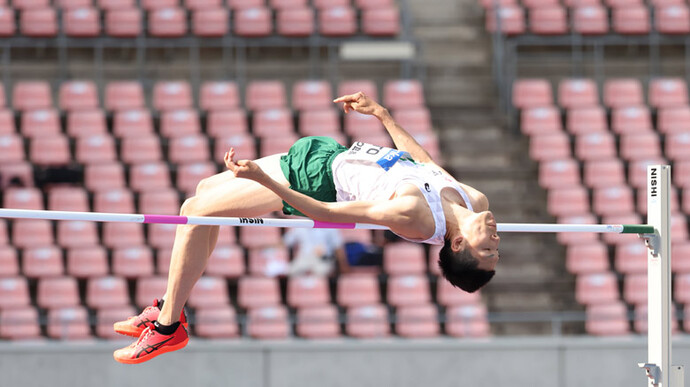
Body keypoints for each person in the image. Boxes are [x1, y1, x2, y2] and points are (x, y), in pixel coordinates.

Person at [112, 91, 501, 364]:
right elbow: (424, 162)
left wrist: (269, 186)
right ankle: (169, 307)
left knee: (195, 212)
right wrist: (384, 116)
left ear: (458, 243)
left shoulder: (414, 218)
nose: (496, 240)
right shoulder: (475, 200)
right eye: (496, 250)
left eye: (487, 250)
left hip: (314, 182)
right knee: (200, 195)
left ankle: (167, 326)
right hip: (327, 154)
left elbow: (330, 214)